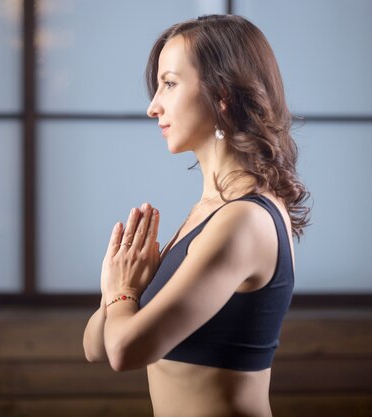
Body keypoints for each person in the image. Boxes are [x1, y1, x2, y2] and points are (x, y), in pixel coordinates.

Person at [83, 14, 310, 417]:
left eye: (169, 84)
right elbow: (95, 346)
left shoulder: (244, 222)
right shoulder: (208, 212)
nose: (154, 106)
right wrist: (117, 290)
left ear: (221, 93)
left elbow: (124, 350)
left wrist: (121, 290)